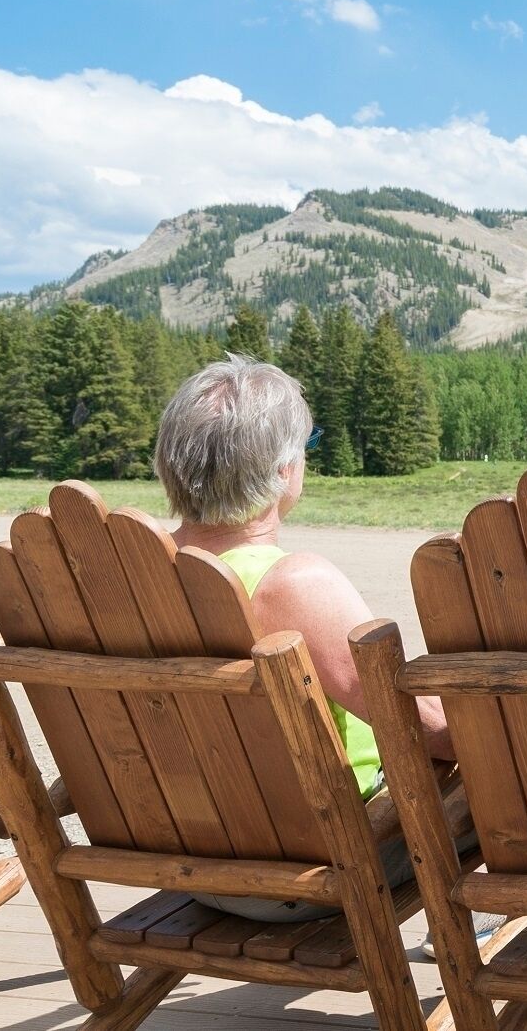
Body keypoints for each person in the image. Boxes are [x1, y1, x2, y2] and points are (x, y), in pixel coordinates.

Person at [154, 355, 451, 920]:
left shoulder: (136, 575)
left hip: (184, 862)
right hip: (317, 869)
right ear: (285, 468)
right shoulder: (290, 584)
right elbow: (429, 731)